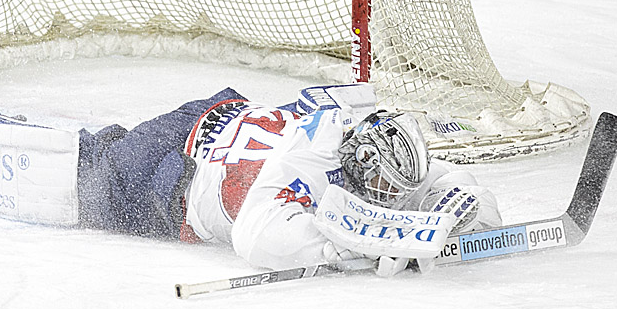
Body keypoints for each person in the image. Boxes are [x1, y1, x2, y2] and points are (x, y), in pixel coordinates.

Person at [75, 84, 501, 277]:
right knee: (82, 191)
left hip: (225, 120)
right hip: (170, 171)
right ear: (361, 166)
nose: (395, 199)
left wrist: (452, 210)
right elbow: (255, 235)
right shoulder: (306, 163)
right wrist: (351, 242)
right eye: (387, 188)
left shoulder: (365, 142)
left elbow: (450, 187)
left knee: (96, 160)